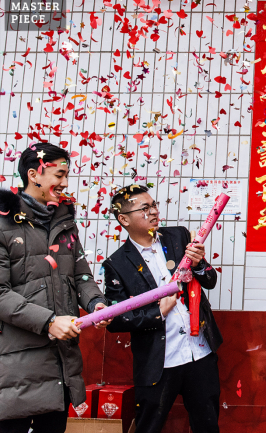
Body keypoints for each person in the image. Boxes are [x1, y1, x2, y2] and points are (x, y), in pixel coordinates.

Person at [0, 143, 110, 432]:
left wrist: (96, 303)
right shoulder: (2, 223)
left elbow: (81, 276)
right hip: (15, 365)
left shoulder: (64, 223)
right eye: (59, 175)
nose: (64, 183)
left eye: (66, 175)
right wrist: (49, 322)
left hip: (62, 361)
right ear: (35, 174)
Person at [104, 185, 223, 433]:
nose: (154, 212)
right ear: (123, 219)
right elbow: (115, 320)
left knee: (208, 424)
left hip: (199, 352)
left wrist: (200, 264)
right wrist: (158, 313)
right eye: (144, 208)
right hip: (159, 361)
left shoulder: (178, 236)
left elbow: (209, 280)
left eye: (154, 205)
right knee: (149, 426)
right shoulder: (116, 263)